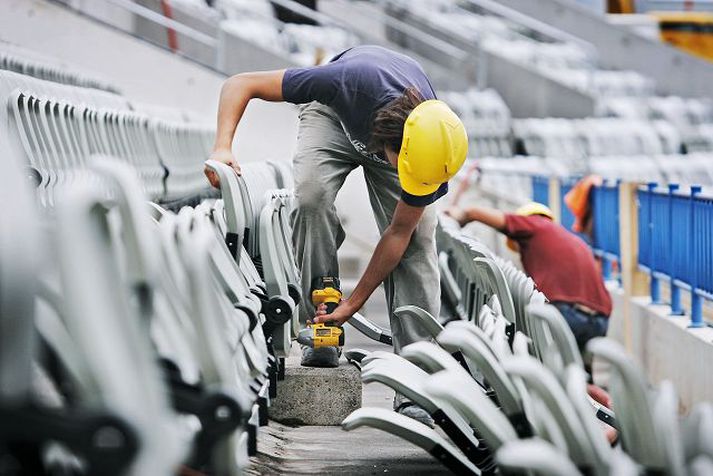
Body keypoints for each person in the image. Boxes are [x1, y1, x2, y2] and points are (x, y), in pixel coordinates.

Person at [205, 45, 468, 426]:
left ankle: (416, 378)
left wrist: (354, 304)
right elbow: (239, 84)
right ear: (395, 145)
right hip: (332, 115)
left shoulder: (433, 144)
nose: (408, 179)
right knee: (311, 198)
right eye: (403, 168)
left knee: (417, 241)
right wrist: (223, 146)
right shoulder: (344, 81)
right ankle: (321, 330)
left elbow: (397, 233)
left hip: (397, 135)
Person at [446, 202, 611, 353]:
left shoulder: (533, 225)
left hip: (566, 315)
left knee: (541, 360)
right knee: (577, 375)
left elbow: (475, 211)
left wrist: (459, 217)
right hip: (600, 320)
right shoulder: (570, 240)